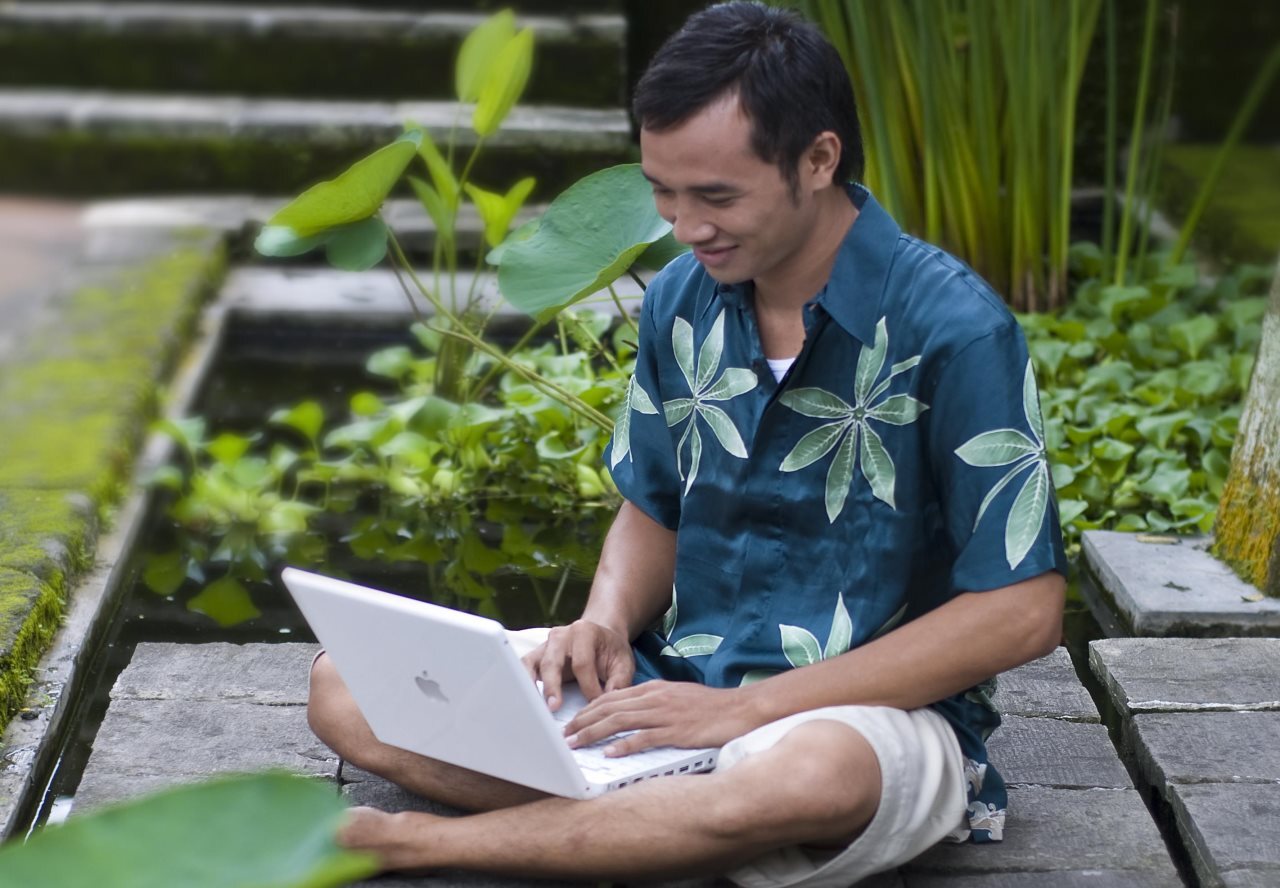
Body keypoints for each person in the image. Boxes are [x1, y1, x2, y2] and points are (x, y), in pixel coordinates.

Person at [307, 3, 1068, 885]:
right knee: (348, 684)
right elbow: (654, 503)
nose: (683, 225)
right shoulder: (682, 296)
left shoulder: (957, 328)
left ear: (818, 159)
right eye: (663, 191)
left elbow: (1024, 610)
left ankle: (423, 843)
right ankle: (656, 821)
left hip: (857, 715)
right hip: (671, 689)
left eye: (715, 196)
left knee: (804, 778)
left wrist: (744, 712)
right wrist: (602, 622)